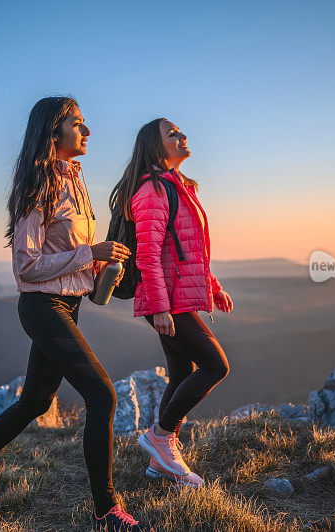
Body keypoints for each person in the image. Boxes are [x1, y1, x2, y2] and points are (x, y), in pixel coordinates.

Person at [0, 96, 153, 532]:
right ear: (52, 132)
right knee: (102, 395)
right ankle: (107, 511)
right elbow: (26, 266)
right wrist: (87, 253)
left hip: (69, 303)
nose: (88, 131)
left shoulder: (76, 181)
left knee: (36, 401)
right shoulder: (35, 188)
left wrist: (102, 263)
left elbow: (68, 255)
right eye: (78, 124)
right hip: (41, 306)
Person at [109, 118, 233, 487]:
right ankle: (160, 437)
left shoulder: (179, 186)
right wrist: (160, 307)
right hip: (166, 298)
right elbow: (147, 254)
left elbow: (188, 249)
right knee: (215, 366)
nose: (182, 137)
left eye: (181, 132)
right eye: (172, 134)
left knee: (180, 373)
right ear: (155, 146)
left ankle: (160, 462)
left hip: (177, 293)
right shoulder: (152, 190)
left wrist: (212, 285)